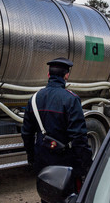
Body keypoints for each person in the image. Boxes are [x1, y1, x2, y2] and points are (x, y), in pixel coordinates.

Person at [21, 57, 92, 187]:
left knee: (48, 195)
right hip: (65, 162)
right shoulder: (71, 99)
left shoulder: (34, 99)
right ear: (66, 75)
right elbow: (79, 137)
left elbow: (26, 133)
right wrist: (86, 164)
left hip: (42, 160)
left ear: (48, 75)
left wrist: (32, 157)